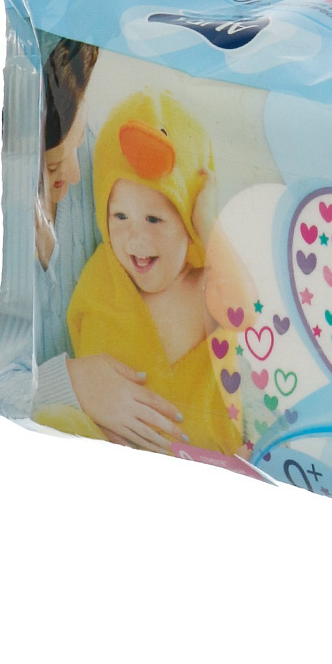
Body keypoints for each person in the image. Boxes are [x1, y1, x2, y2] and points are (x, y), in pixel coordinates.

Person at [0, 37, 187, 453]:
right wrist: (71, 383)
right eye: (52, 166)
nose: (74, 173)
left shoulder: (96, 158)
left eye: (80, 138)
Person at [47, 90, 242, 457]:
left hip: (204, 462)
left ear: (188, 221)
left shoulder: (206, 284)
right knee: (54, 422)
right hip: (112, 451)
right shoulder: (103, 277)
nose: (136, 238)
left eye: (155, 219)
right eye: (120, 216)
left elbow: (247, 314)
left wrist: (208, 224)